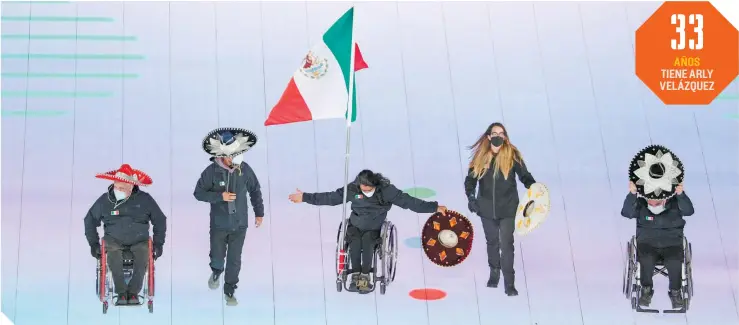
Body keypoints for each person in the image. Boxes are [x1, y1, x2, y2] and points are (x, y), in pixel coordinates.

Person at [288, 170, 447, 294]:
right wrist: (304, 197)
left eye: (369, 188)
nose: (366, 190)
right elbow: (331, 198)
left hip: (375, 227)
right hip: (355, 225)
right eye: (363, 188)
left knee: (368, 242)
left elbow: (408, 202)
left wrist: (433, 207)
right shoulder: (352, 189)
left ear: (374, 185)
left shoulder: (386, 191)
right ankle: (355, 274)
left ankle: (365, 275)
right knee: (355, 243)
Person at [464, 122, 536, 296]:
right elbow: (470, 181)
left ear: (505, 137)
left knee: (507, 244)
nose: (498, 136)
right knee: (492, 242)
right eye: (494, 133)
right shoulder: (480, 158)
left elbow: (524, 176)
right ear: (489, 137)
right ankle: (494, 272)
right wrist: (472, 199)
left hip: (508, 209)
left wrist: (534, 187)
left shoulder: (512, 156)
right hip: (486, 209)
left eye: (501, 133)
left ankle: (509, 283)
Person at [194, 127, 264, 306]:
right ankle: (216, 271)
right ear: (224, 156)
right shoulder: (211, 172)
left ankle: (230, 290)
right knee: (218, 256)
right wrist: (219, 197)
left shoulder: (245, 169)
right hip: (219, 224)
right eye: (232, 156)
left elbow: (255, 190)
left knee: (235, 260)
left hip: (239, 224)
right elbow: (198, 193)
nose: (235, 160)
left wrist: (259, 213)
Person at [84, 164, 167, 306]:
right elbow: (89, 220)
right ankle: (121, 293)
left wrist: (158, 244)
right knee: (113, 253)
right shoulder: (105, 200)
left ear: (131, 187)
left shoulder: (145, 200)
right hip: (114, 241)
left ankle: (133, 292)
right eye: (116, 187)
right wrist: (94, 244)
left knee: (143, 254)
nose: (118, 190)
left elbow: (160, 220)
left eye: (122, 188)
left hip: (139, 240)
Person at [621, 181, 693, 309]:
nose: (652, 201)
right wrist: (632, 194)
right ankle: (646, 291)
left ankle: (675, 292)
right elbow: (627, 213)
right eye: (649, 198)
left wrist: (681, 194)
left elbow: (689, 211)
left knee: (674, 261)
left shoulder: (676, 203)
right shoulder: (641, 205)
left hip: (672, 244)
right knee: (646, 259)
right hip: (648, 244)